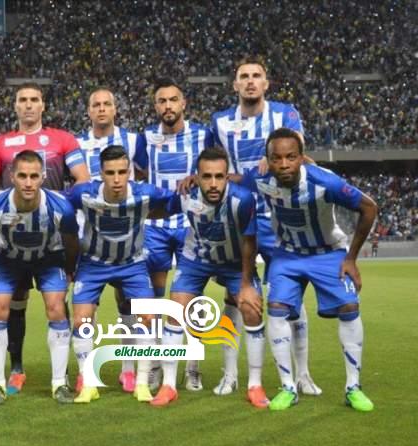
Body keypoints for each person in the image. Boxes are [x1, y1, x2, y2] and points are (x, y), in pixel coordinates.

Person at [239, 128, 377, 411]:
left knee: (350, 307)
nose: (284, 164)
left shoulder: (325, 181)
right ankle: (288, 387)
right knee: (276, 308)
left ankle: (353, 387)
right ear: (268, 160)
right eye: (276, 158)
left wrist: (351, 258)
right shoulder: (260, 179)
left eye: (291, 157)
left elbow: (369, 208)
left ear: (302, 158)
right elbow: (235, 182)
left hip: (328, 253)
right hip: (287, 255)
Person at [209, 56, 321, 397]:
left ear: (266, 83)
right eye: (244, 76)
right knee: (234, 296)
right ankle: (230, 374)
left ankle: (302, 374)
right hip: (238, 217)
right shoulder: (220, 121)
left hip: (279, 217)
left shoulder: (285, 113)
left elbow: (296, 147)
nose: (250, 81)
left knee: (291, 300)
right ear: (235, 84)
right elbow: (215, 164)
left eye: (257, 75)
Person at [0, 82, 89, 393]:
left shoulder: (62, 139)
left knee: (56, 304)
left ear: (43, 105)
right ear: (14, 106)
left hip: (50, 235)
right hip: (12, 234)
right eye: (22, 100)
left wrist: (49, 198)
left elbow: (82, 181)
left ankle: (62, 374)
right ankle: (16, 368)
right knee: (14, 304)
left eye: (34, 100)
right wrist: (18, 199)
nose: (28, 105)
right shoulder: (1, 144)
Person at [151, 146, 268, 408]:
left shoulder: (243, 199)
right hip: (197, 260)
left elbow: (250, 242)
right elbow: (160, 210)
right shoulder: (186, 195)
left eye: (219, 176)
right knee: (175, 311)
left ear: (228, 176)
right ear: (196, 176)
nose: (213, 183)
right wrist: (129, 211)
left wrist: (247, 284)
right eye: (206, 176)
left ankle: (255, 385)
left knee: (251, 309)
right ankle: (168, 385)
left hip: (235, 262)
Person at [67, 145, 180, 404]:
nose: (117, 179)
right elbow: (60, 206)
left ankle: (141, 383)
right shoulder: (84, 194)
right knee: (81, 320)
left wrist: (190, 185)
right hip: (93, 263)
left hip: (132, 264)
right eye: (110, 173)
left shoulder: (144, 193)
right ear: (101, 174)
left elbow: (174, 202)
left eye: (122, 172)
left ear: (130, 171)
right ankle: (88, 382)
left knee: (148, 317)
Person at [0, 150, 79, 405]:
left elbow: (71, 242)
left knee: (56, 308)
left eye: (34, 176)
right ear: (12, 176)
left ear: (43, 177)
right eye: (22, 176)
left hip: (48, 258)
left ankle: (59, 384)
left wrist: (69, 269)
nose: (28, 182)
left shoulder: (60, 207)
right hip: (7, 259)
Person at [142, 78, 213, 392]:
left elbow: (216, 168)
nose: (167, 106)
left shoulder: (203, 135)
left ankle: (193, 367)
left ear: (184, 104)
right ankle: (157, 363)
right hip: (156, 228)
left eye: (173, 100)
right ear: (155, 106)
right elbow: (140, 172)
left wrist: (197, 176)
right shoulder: (145, 139)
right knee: (156, 300)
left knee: (191, 297)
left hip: (191, 225)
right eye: (161, 101)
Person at [76, 87, 147, 392]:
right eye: (96, 105)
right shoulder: (77, 145)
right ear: (88, 111)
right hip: (92, 238)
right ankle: (85, 373)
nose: (102, 109)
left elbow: (144, 176)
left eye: (107, 104)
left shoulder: (133, 140)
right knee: (83, 313)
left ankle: (129, 369)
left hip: (129, 235)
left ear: (115, 109)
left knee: (129, 305)